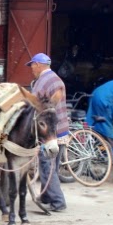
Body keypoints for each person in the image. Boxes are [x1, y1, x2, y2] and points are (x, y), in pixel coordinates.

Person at [26, 53, 68, 212]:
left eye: (32, 66)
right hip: (60, 130)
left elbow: (34, 104)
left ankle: (58, 202)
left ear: (37, 64)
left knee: (46, 166)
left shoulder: (43, 81)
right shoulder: (55, 79)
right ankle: (45, 197)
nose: (31, 69)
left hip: (50, 133)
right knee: (51, 168)